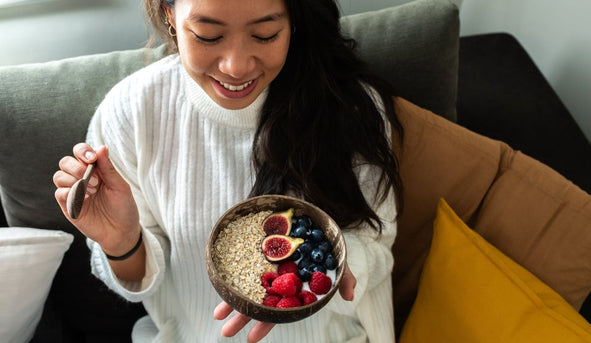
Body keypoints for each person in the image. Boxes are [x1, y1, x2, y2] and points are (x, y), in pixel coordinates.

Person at [53, 0, 403, 341]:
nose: (236, 67)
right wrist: (121, 241)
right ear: (169, 15)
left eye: (265, 34)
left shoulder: (350, 106)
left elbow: (375, 242)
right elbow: (142, 278)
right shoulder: (131, 112)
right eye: (207, 36)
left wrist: (318, 273)